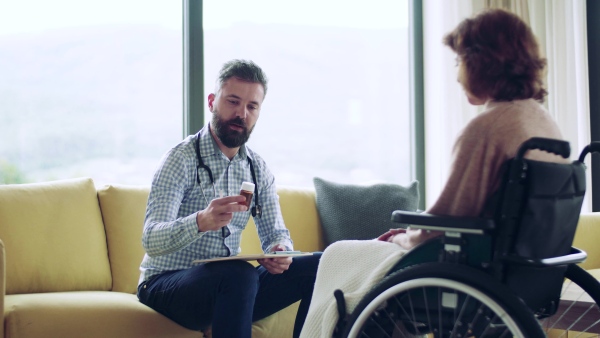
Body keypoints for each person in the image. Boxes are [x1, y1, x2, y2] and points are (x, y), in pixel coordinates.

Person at [300, 8, 567, 338]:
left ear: (481, 61)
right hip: (522, 264)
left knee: (336, 254)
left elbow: (446, 217)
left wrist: (404, 234)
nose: (457, 75)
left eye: (459, 61)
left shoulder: (487, 127)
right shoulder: (543, 122)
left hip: (467, 261)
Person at [137, 59, 321, 338]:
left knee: (320, 265)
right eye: (233, 102)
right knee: (238, 273)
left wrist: (279, 252)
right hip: (166, 284)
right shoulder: (181, 159)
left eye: (251, 106)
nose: (241, 113)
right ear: (212, 101)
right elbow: (151, 239)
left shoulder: (258, 169)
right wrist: (200, 221)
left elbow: (276, 233)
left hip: (231, 289)